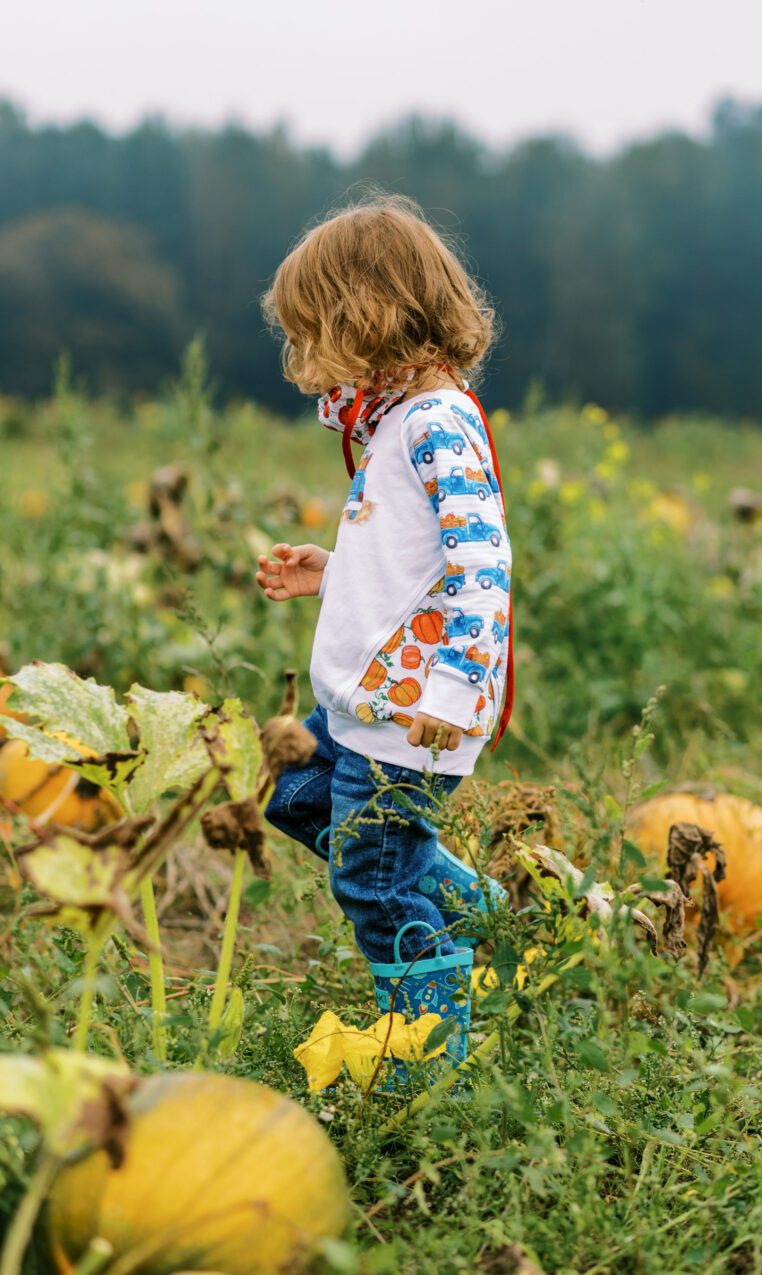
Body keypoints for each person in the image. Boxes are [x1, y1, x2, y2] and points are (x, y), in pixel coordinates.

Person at [257, 194, 513, 1077]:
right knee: (292, 793)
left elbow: (482, 564)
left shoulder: (437, 423)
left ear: (364, 315)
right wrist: (334, 571)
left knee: (373, 881)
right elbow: (414, 566)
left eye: (313, 330)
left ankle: (429, 1057)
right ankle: (495, 918)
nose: (308, 356)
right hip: (370, 702)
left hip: (411, 715)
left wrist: (449, 687)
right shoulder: (401, 422)